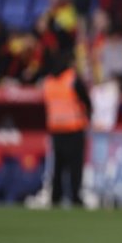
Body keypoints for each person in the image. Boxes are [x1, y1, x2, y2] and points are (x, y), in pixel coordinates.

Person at [42, 53, 91, 207]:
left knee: (58, 165)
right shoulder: (71, 79)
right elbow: (86, 99)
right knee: (75, 166)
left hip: (56, 129)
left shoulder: (49, 82)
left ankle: (56, 196)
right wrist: (88, 113)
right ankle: (75, 196)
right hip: (74, 127)